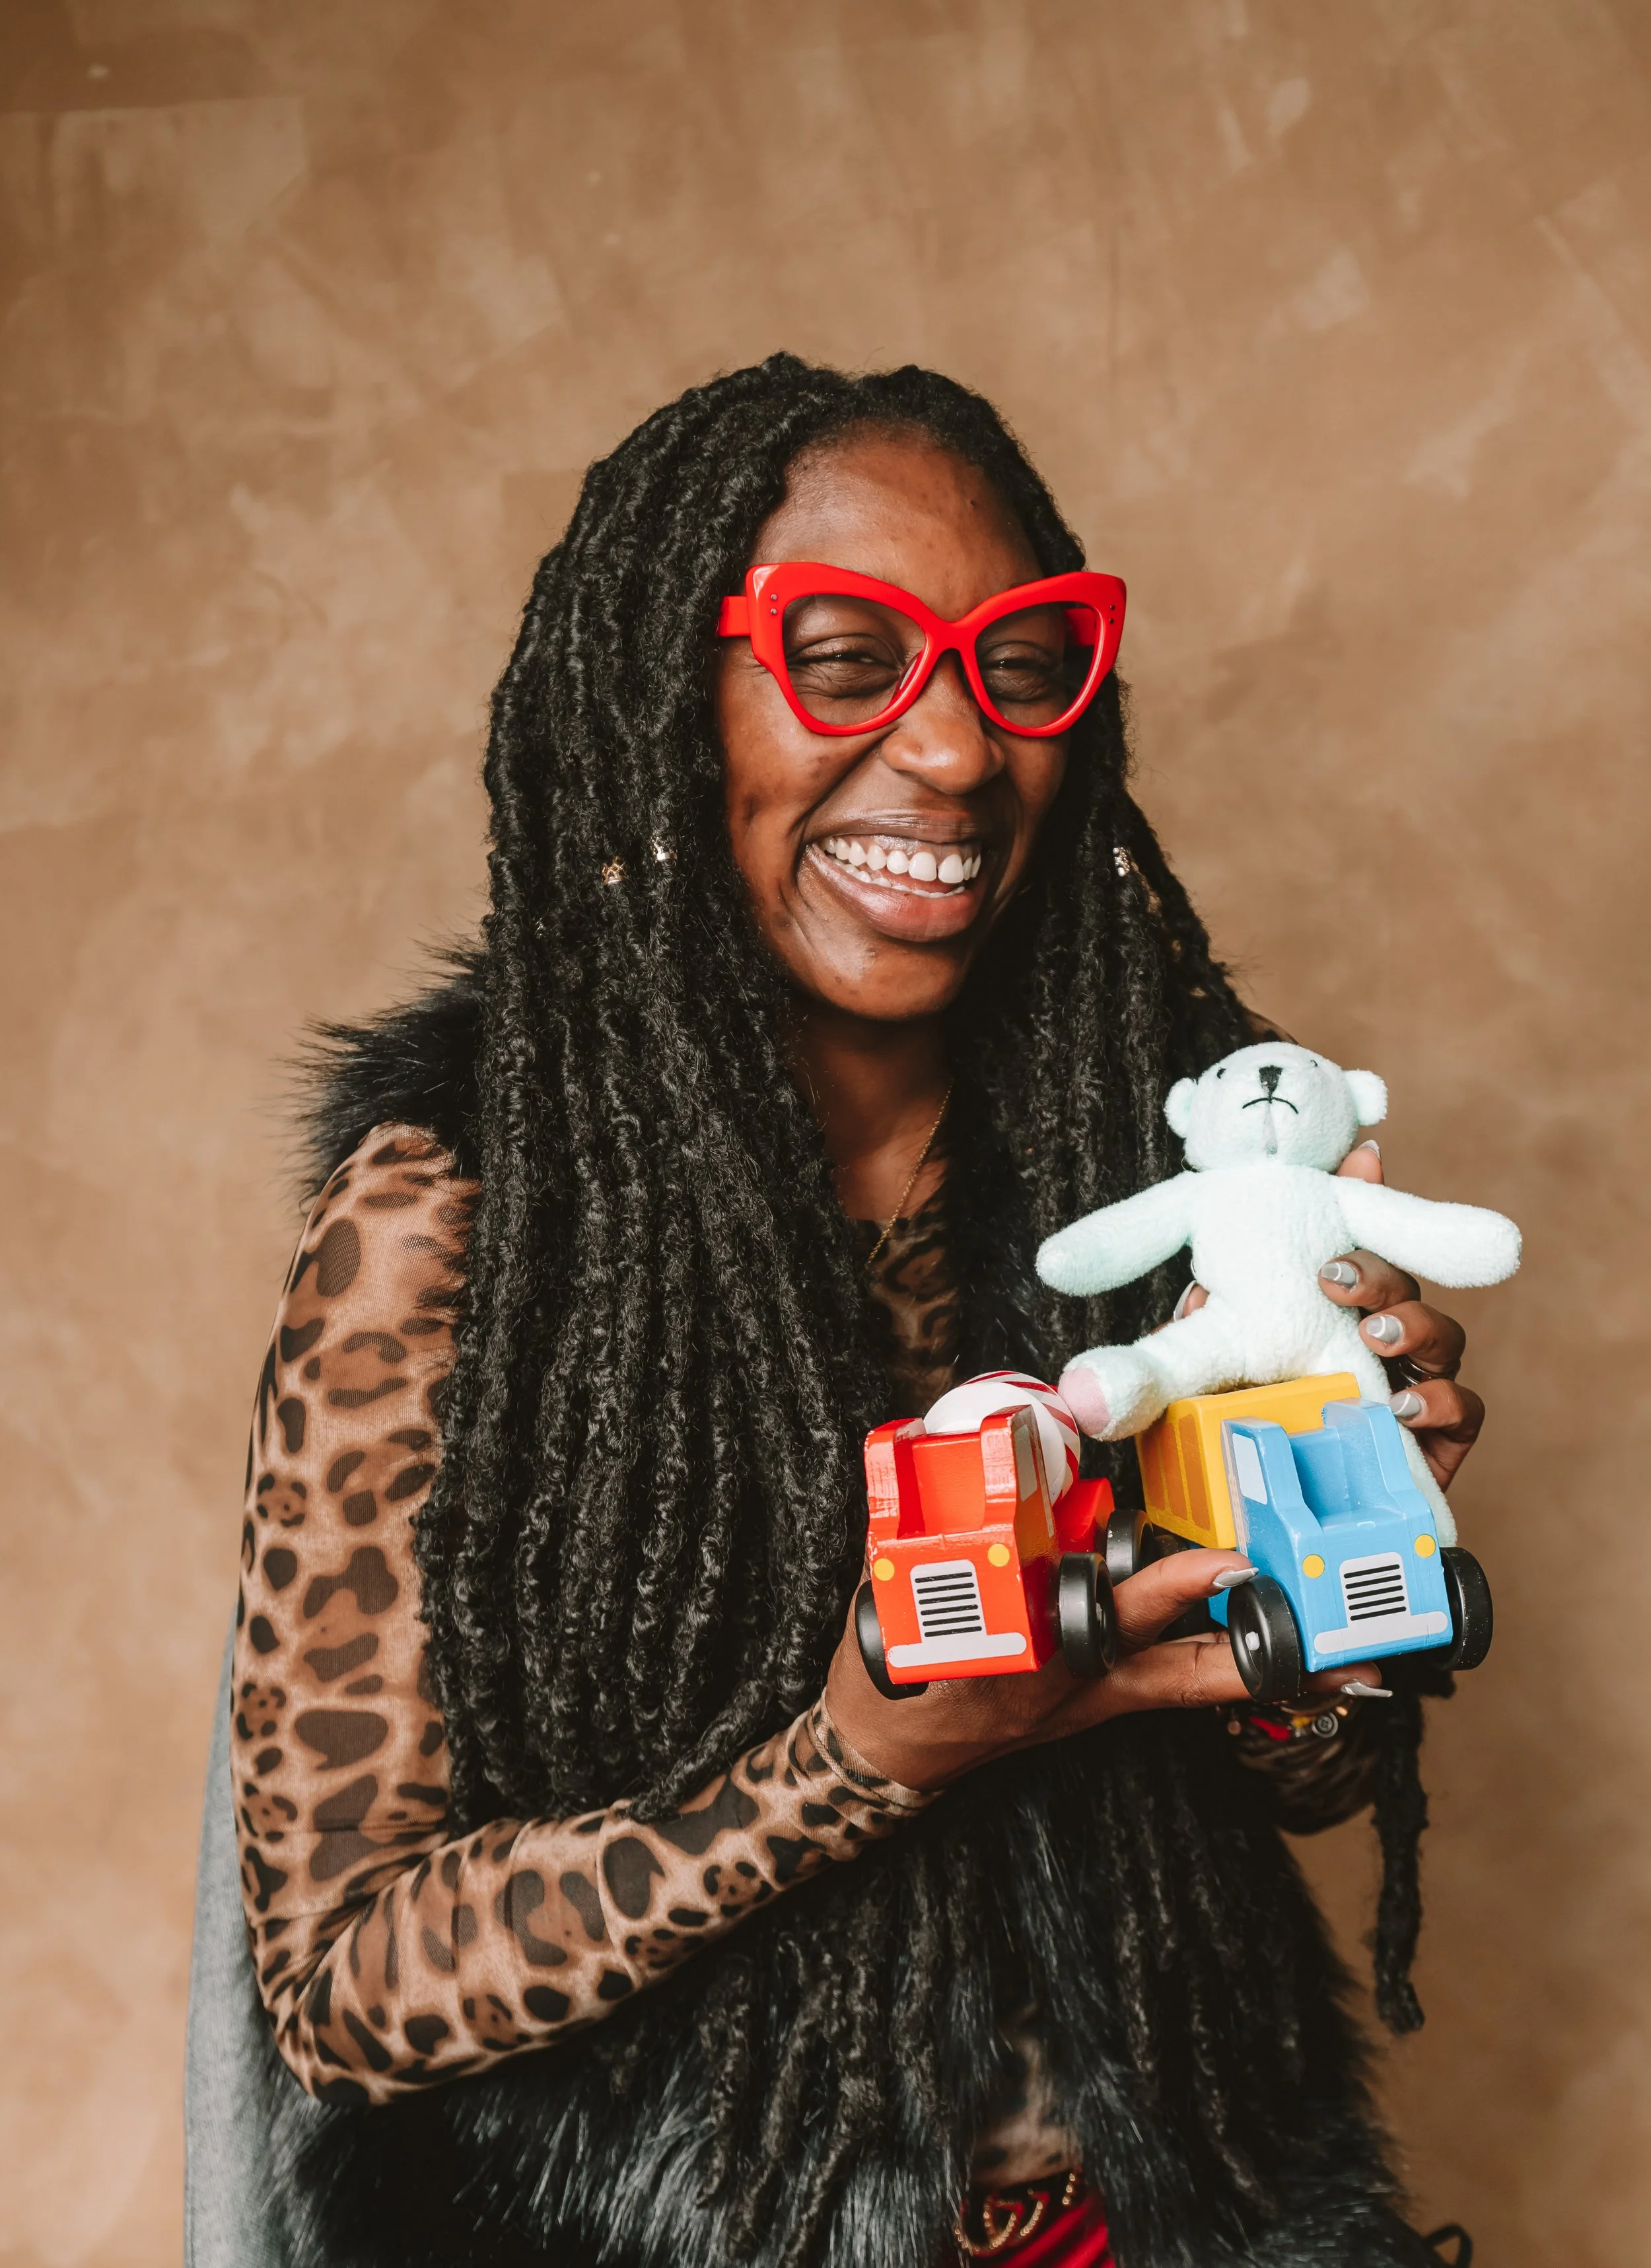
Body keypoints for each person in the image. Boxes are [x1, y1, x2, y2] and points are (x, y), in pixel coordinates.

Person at [224, 357, 1486, 2268]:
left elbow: (1307, 1780)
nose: (958, 752)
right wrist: (850, 1759)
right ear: (667, 696)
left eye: (1019, 664)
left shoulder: (1154, 1144)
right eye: (843, 657)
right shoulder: (460, 1214)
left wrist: (1336, 1548)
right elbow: (343, 1981)